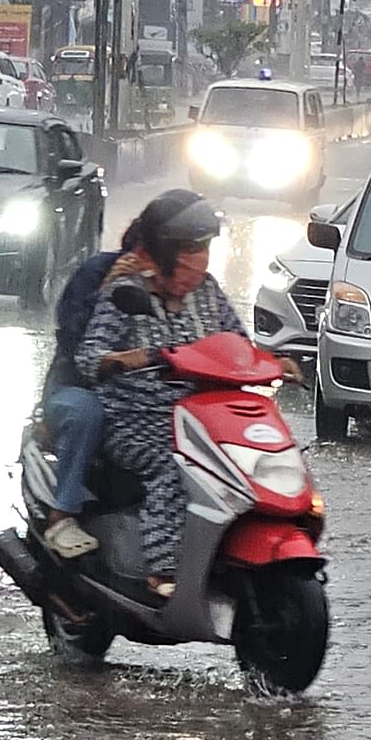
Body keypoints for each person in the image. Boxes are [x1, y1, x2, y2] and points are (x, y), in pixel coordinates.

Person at [75, 190, 249, 598]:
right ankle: (162, 570)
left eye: (205, 248)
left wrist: (276, 361)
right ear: (167, 251)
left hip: (203, 416)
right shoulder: (126, 291)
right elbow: (89, 358)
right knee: (175, 466)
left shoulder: (207, 292)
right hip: (136, 420)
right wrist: (121, 359)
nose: (200, 259)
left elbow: (238, 343)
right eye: (191, 249)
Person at [40, 221, 141, 557]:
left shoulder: (188, 289)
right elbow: (70, 330)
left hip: (143, 395)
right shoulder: (99, 270)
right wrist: (107, 289)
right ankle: (63, 513)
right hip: (77, 384)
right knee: (87, 413)